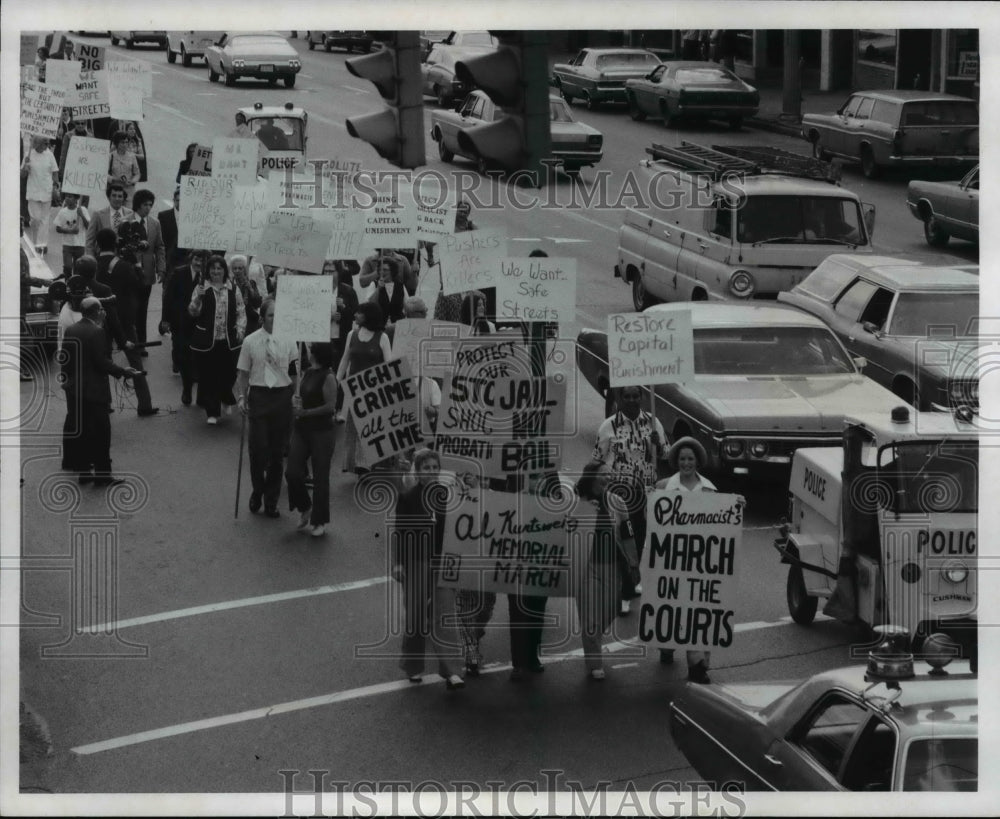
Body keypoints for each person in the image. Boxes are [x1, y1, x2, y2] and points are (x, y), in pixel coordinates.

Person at [391, 448, 465, 690]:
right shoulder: (409, 496)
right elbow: (400, 532)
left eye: (435, 467)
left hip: (443, 562)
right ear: (418, 471)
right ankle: (413, 667)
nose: (431, 472)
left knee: (444, 614)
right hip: (416, 561)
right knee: (415, 615)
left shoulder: (448, 495)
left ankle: (452, 671)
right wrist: (398, 563)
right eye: (426, 468)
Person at [592, 384, 668, 614]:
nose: (633, 400)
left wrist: (659, 444)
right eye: (628, 396)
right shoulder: (609, 426)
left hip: (646, 492)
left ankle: (630, 582)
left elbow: (667, 454)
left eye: (636, 396)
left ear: (642, 397)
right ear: (619, 398)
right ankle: (623, 592)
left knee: (639, 542)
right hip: (619, 494)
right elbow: (596, 460)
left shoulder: (653, 422)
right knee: (623, 543)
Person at [653, 436, 719, 684]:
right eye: (682, 459)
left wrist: (735, 506)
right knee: (671, 607)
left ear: (697, 461)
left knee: (698, 610)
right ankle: (667, 646)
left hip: (699, 561)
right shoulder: (662, 487)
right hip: (671, 558)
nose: (686, 463)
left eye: (690, 459)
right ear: (676, 461)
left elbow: (720, 524)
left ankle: (698, 665)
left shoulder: (710, 489)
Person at [60, 297, 143, 486]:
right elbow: (102, 362)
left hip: (75, 391)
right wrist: (123, 371)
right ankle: (103, 475)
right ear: (97, 312)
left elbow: (65, 359)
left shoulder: (72, 329)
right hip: (94, 391)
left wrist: (68, 382)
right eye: (102, 310)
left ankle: (84, 472)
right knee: (101, 433)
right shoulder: (97, 332)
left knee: (83, 433)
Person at [235, 297, 299, 518]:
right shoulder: (250, 341)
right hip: (259, 396)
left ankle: (271, 500)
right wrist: (242, 397)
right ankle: (257, 490)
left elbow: (293, 372)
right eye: (271, 315)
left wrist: (294, 395)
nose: (275, 319)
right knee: (258, 450)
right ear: (263, 317)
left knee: (277, 453)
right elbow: (243, 373)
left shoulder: (290, 340)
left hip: (282, 397)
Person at [574, 460, 632, 680]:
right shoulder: (576, 501)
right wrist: (582, 513)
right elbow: (563, 529)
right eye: (602, 474)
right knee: (589, 618)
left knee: (609, 610)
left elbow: (627, 535)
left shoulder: (617, 502)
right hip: (586, 567)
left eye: (609, 475)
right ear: (591, 476)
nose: (607, 478)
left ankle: (593, 638)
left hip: (613, 567)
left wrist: (633, 566)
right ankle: (594, 663)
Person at [94, 228, 158, 417]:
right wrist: (137, 262)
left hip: (100, 319)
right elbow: (141, 284)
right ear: (115, 244)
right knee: (136, 362)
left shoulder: (93, 264)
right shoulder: (122, 265)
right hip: (124, 319)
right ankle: (144, 404)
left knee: (103, 361)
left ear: (97, 244)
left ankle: (104, 403)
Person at [285, 342, 338, 537]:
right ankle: (304, 506)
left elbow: (330, 406)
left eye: (311, 350)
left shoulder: (329, 377)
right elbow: (300, 395)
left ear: (317, 354)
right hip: (302, 430)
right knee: (292, 472)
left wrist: (305, 412)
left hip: (322, 431)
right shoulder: (307, 372)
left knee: (320, 477)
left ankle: (320, 520)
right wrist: (295, 401)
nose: (308, 352)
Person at [335, 302, 392, 474]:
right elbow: (345, 359)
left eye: (359, 313)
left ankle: (366, 465)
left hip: (374, 391)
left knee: (370, 429)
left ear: (368, 316)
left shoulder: (382, 337)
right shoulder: (351, 335)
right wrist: (337, 380)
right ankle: (356, 464)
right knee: (354, 428)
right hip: (354, 390)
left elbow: (389, 364)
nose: (355, 315)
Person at [188, 255, 246, 425]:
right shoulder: (201, 288)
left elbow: (241, 311)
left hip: (229, 340)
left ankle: (226, 398)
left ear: (224, 270)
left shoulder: (233, 288)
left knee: (228, 374)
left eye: (219, 268)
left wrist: (241, 329)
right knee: (208, 376)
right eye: (213, 268)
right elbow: (192, 312)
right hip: (207, 340)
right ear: (208, 271)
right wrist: (198, 297)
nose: (216, 271)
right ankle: (212, 411)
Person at [119, 189, 166, 349]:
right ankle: (129, 341)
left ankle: (141, 343)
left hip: (147, 272)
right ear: (138, 205)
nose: (148, 208)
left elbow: (159, 247)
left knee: (143, 309)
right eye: (145, 204)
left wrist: (161, 268)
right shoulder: (125, 222)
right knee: (131, 308)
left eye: (150, 204)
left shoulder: (154, 223)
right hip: (129, 272)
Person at [160, 249, 207, 403]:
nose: (199, 263)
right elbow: (168, 297)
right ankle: (187, 389)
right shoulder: (179, 273)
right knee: (183, 355)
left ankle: (200, 393)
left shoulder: (210, 277)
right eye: (197, 259)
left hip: (201, 324)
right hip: (180, 321)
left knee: (199, 358)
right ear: (191, 259)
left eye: (203, 260)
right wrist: (165, 319)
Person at [21, 136, 60, 255]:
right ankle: (35, 241)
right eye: (44, 143)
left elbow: (55, 173)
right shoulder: (29, 155)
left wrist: (55, 187)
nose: (47, 145)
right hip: (33, 192)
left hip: (46, 191)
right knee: (35, 219)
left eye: (47, 143)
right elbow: (22, 175)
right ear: (37, 143)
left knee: (45, 219)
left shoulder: (49, 155)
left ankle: (41, 244)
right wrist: (25, 167)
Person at [85, 183, 133, 257]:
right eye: (114, 195)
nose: (117, 199)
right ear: (108, 197)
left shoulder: (130, 214)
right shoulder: (98, 215)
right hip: (103, 258)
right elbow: (89, 241)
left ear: (123, 199)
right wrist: (91, 259)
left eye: (120, 196)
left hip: (125, 259)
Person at [52, 193, 91, 277]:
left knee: (78, 268)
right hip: (67, 244)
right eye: (66, 196)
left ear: (76, 198)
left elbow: (88, 226)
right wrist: (70, 231)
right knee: (68, 267)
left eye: (70, 197)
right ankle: (67, 282)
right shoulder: (63, 211)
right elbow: (58, 228)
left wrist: (82, 215)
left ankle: (75, 286)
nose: (67, 198)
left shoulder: (82, 209)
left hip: (80, 244)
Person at [228, 254, 263, 336]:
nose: (237, 271)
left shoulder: (251, 283)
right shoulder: (229, 285)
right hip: (235, 320)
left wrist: (251, 290)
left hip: (250, 321)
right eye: (235, 268)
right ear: (232, 270)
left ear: (244, 269)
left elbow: (258, 303)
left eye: (240, 268)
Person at [158, 188, 184, 284]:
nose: (180, 203)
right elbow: (161, 241)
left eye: (183, 200)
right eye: (178, 200)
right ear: (173, 200)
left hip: (186, 260)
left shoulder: (193, 217)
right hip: (169, 261)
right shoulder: (164, 216)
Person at [369, 258, 406, 325]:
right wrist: (378, 289)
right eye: (380, 270)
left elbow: (407, 305)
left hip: (397, 324)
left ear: (392, 271)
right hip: (379, 324)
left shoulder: (400, 285)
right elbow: (371, 305)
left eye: (385, 270)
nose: (382, 272)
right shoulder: (374, 284)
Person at [108, 131, 141, 201]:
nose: (125, 144)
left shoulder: (132, 156)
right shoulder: (110, 156)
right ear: (117, 143)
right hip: (115, 191)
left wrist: (132, 181)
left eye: (126, 142)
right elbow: (104, 175)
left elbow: (137, 174)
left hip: (129, 191)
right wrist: (115, 179)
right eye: (122, 142)